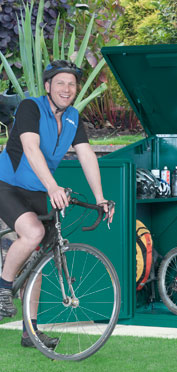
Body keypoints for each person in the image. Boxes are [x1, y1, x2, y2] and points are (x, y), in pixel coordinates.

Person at [0, 60, 115, 349]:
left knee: (38, 261)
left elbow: (87, 155)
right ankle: (2, 288)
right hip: (6, 183)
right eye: (60, 83)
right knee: (34, 233)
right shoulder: (31, 107)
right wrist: (53, 187)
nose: (67, 88)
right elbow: (30, 147)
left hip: (37, 189)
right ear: (49, 86)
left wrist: (100, 197)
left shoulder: (74, 117)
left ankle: (31, 332)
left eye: (72, 84)